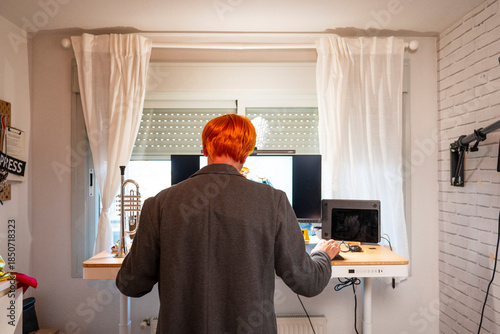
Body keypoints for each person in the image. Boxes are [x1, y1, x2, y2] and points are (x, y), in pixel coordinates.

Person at [116, 114, 340, 334]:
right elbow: (307, 282)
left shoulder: (159, 204)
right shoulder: (274, 201)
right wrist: (322, 254)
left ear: (204, 150)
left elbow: (131, 284)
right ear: (246, 154)